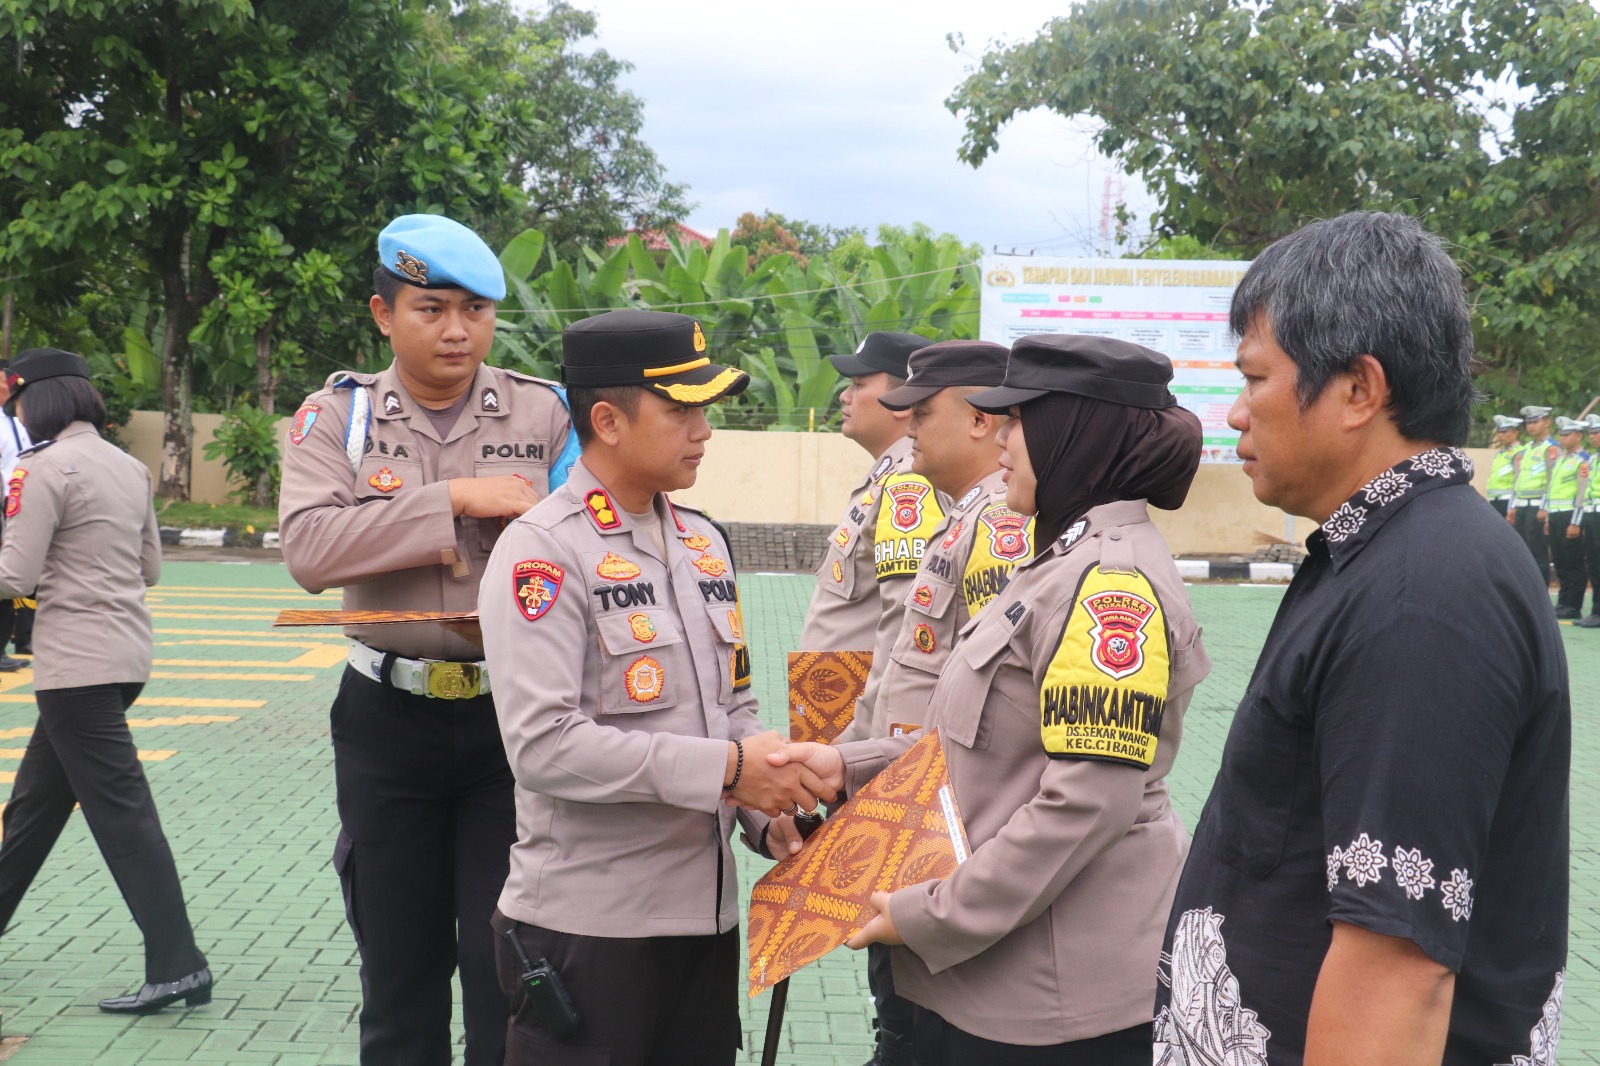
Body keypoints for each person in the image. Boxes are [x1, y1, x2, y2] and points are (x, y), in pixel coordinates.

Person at [1153, 212, 1568, 1066]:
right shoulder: (1385, 550)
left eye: (1254, 377)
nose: (1233, 411)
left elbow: (1397, 969)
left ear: (1357, 390)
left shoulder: (1426, 593)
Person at [774, 333, 1211, 1065]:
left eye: (1020, 420)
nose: (1002, 436)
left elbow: (1084, 805)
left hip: (1054, 999)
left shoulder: (1110, 586)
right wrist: (847, 764)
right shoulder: (1060, 558)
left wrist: (932, 913)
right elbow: (981, 742)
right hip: (998, 982)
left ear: (1077, 435)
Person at [479, 308, 834, 1066]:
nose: (703, 429)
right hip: (590, 933)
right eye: (681, 410)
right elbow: (543, 747)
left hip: (703, 928)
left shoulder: (703, 541)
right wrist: (732, 772)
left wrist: (763, 815)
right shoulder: (540, 552)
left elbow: (733, 709)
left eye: (703, 408)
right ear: (607, 419)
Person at [279, 214, 578, 1066]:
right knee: (400, 971)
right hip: (386, 721)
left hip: (509, 725)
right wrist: (453, 500)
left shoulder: (544, 413)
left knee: (508, 966)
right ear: (383, 315)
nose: (457, 330)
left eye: (476, 311)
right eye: (431, 308)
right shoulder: (336, 419)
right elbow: (309, 551)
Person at [0, 347, 211, 1013]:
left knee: (123, 817)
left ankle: (179, 965)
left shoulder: (41, 469)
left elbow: (15, 575)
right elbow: (149, 567)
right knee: (33, 810)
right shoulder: (127, 467)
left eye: (19, 402)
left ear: (41, 402)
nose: (18, 414)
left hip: (74, 669)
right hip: (123, 660)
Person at [832, 337, 1022, 1066]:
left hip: (939, 816)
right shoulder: (957, 515)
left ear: (980, 420)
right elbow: (897, 667)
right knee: (898, 1012)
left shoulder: (1000, 525)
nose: (907, 427)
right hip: (898, 791)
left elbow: (987, 700)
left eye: (924, 412)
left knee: (914, 1027)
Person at [801, 333, 946, 739]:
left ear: (903, 404)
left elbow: (906, 624)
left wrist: (862, 740)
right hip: (836, 715)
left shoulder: (908, 484)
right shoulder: (887, 475)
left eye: (860, 384)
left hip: (857, 728)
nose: (845, 397)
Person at [0, 365, 31, 672]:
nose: (8, 385)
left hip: (18, 507)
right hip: (4, 509)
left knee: (8, 587)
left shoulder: (13, 423)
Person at [1544, 416, 1590, 619]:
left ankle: (1573, 605)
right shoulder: (1561, 460)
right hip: (1555, 515)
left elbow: (1582, 492)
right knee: (1561, 562)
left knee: (1573, 563)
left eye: (1567, 434)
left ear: (1579, 436)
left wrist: (1575, 521)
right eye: (1560, 434)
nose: (1562, 438)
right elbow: (1552, 488)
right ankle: (1563, 601)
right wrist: (1547, 518)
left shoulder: (1583, 461)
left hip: (1570, 516)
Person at [1506, 404, 1556, 582]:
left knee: (1537, 554)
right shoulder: (1526, 449)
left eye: (1535, 422)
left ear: (1547, 422)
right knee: (1523, 553)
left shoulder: (1551, 448)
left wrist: (1545, 507)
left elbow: (1552, 479)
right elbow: (1518, 479)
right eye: (1529, 423)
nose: (1531, 426)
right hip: (1521, 506)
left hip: (1537, 507)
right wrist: (1512, 505)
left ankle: (1541, 594)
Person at [1577, 414, 1600, 629]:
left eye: (1596, 432)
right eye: (1591, 432)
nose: (1592, 436)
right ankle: (1596, 611)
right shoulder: (1591, 460)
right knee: (1594, 564)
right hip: (1592, 515)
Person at [1483, 414, 1522, 518]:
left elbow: (1518, 479)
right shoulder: (1500, 453)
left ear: (1515, 433)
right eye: (1499, 432)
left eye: (1505, 432)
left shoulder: (1518, 452)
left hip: (1507, 500)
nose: (1501, 435)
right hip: (1494, 499)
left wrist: (1513, 505)